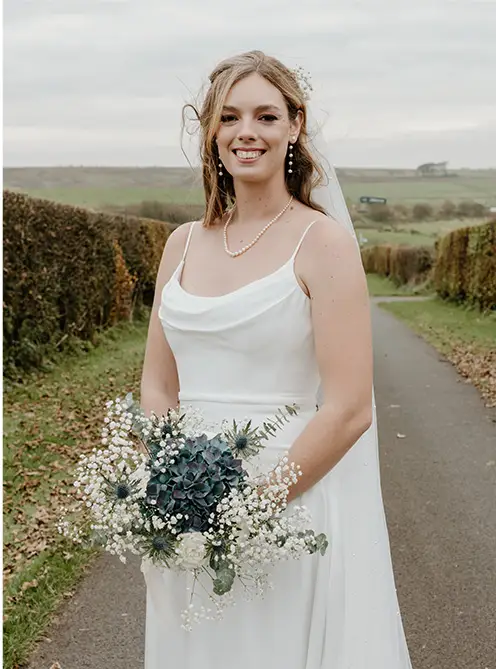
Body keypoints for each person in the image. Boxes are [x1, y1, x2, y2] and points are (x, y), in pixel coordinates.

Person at [139, 51, 413, 667]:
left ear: (294, 126)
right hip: (187, 508)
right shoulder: (180, 244)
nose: (247, 132)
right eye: (230, 117)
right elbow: (157, 384)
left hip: (291, 501)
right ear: (211, 131)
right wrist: (174, 486)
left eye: (266, 116)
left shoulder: (325, 244)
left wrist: (252, 507)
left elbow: (348, 409)